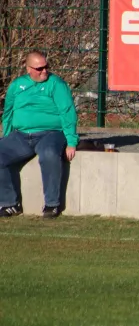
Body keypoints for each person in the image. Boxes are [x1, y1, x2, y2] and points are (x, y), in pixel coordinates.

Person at [0, 50, 78, 219]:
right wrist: (6, 137)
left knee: (49, 154)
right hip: (21, 135)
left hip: (50, 133)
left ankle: (52, 204)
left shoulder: (56, 84)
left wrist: (71, 141)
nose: (44, 71)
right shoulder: (17, 85)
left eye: (46, 67)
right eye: (39, 68)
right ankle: (9, 204)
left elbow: (67, 112)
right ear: (28, 69)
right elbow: (8, 113)